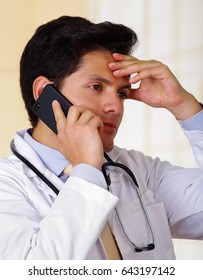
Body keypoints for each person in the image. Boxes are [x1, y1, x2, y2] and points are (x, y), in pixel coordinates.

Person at [0, 15, 203, 260]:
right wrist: (86, 170)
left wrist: (184, 106)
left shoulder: (137, 170)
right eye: (96, 87)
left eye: (122, 93)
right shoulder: (7, 185)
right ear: (45, 93)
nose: (116, 107)